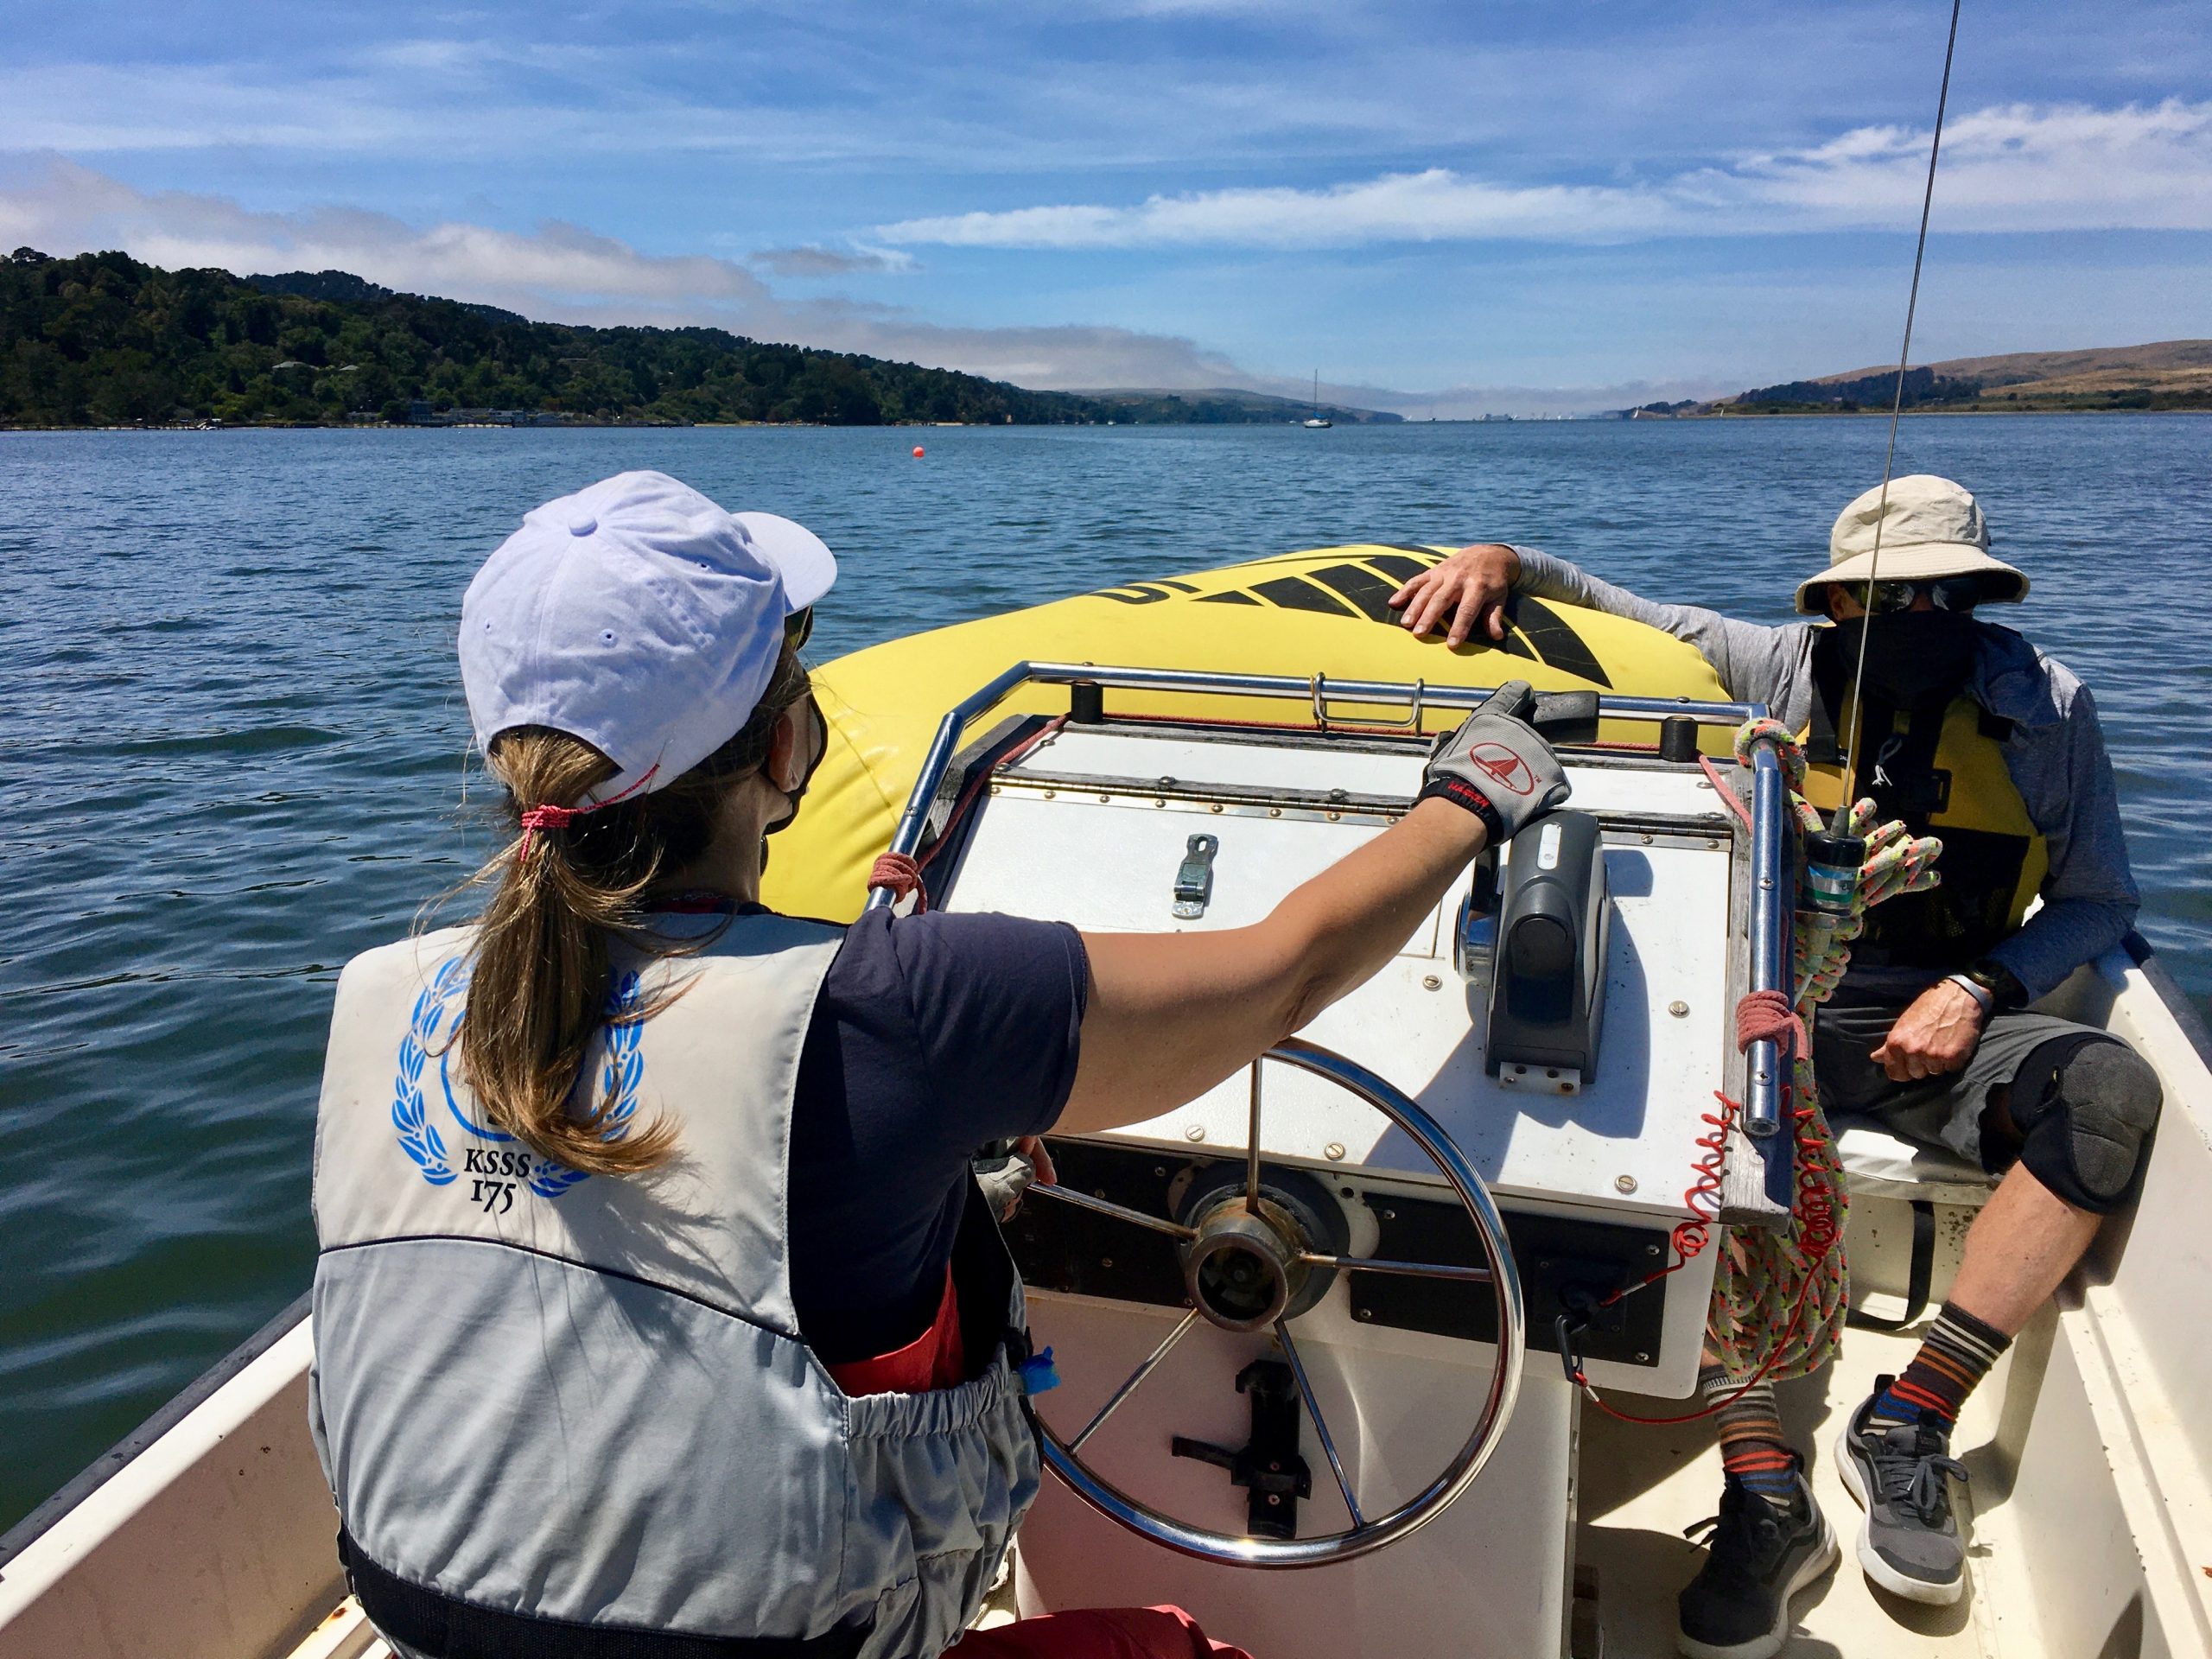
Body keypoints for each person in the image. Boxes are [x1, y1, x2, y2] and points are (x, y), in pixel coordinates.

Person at [308, 469, 1570, 1659]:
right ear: (785, 749)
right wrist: (1472, 794)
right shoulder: (903, 1001)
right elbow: (1285, 974)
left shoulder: (378, 993)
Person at [1389, 474, 2160, 1655]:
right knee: (1685, 1124)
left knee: (2108, 1097)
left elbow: (2100, 901)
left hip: (1954, 1023)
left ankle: (1912, 1419)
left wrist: (1978, 990)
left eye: (1943, 595)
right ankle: (1765, 1486)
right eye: (1885, 600)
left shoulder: (2050, 707)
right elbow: (1622, 606)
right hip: (1784, 1008)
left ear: (1978, 595)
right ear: (1838, 607)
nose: (1915, 620)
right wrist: (1499, 555)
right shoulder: (1776, 669)